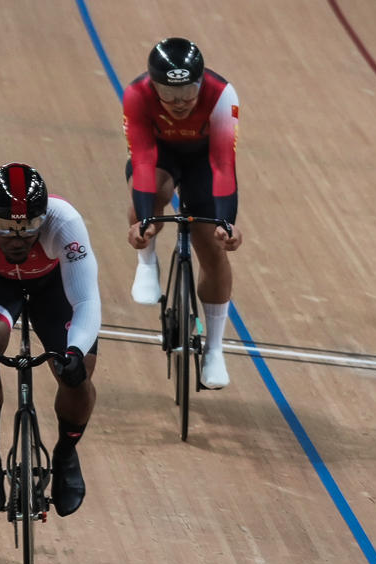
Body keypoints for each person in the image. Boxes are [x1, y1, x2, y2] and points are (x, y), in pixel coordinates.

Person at [0, 163, 99, 517]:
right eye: (5, 227)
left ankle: (65, 456)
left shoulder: (66, 222)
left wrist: (75, 351)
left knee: (77, 375)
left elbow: (86, 300)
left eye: (29, 227)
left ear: (45, 217)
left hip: (52, 284)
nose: (17, 238)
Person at [123, 38, 243, 387]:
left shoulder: (221, 94)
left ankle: (215, 349)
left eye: (188, 92)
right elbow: (143, 160)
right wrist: (144, 221)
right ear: (153, 86)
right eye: (168, 93)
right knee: (154, 193)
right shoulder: (136, 95)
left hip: (206, 160)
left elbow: (223, 163)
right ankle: (147, 262)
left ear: (201, 82)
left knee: (212, 247)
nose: (179, 102)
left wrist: (226, 224)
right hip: (160, 155)